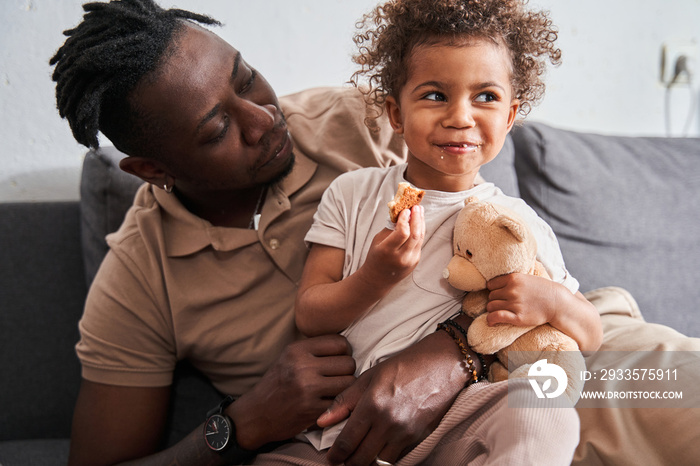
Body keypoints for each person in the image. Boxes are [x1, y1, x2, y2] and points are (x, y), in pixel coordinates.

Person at [49, 1, 506, 465]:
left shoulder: (362, 121)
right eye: (218, 128)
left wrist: (452, 354)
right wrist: (244, 423)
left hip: (480, 409)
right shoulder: (139, 276)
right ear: (152, 168)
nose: (263, 118)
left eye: (245, 79)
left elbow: (505, 251)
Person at [293, 0, 602, 458]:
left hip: (458, 420)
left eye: (486, 97)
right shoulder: (352, 194)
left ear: (511, 116)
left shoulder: (518, 223)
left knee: (544, 409)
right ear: (396, 114)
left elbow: (591, 334)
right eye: (435, 95)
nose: (461, 116)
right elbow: (309, 315)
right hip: (343, 427)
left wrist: (551, 300)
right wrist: (374, 277)